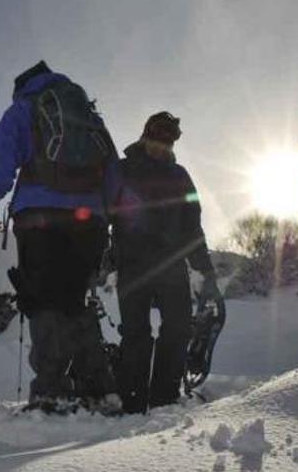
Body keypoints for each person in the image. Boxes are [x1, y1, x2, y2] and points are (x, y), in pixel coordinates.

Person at [0, 60, 120, 413]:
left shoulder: (23, 107)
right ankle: (100, 390)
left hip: (40, 216)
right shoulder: (87, 113)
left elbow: (3, 154)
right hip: (90, 221)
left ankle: (51, 391)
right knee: (77, 300)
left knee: (44, 301)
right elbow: (113, 169)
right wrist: (110, 216)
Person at [111, 111, 222, 413]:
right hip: (132, 265)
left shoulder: (179, 175)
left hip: (171, 266)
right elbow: (103, 212)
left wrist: (205, 268)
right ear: (145, 134)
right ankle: (132, 402)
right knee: (136, 333)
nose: (162, 147)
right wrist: (98, 257)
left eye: (168, 142)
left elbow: (192, 226)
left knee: (178, 328)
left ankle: (164, 400)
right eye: (157, 139)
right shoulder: (122, 170)